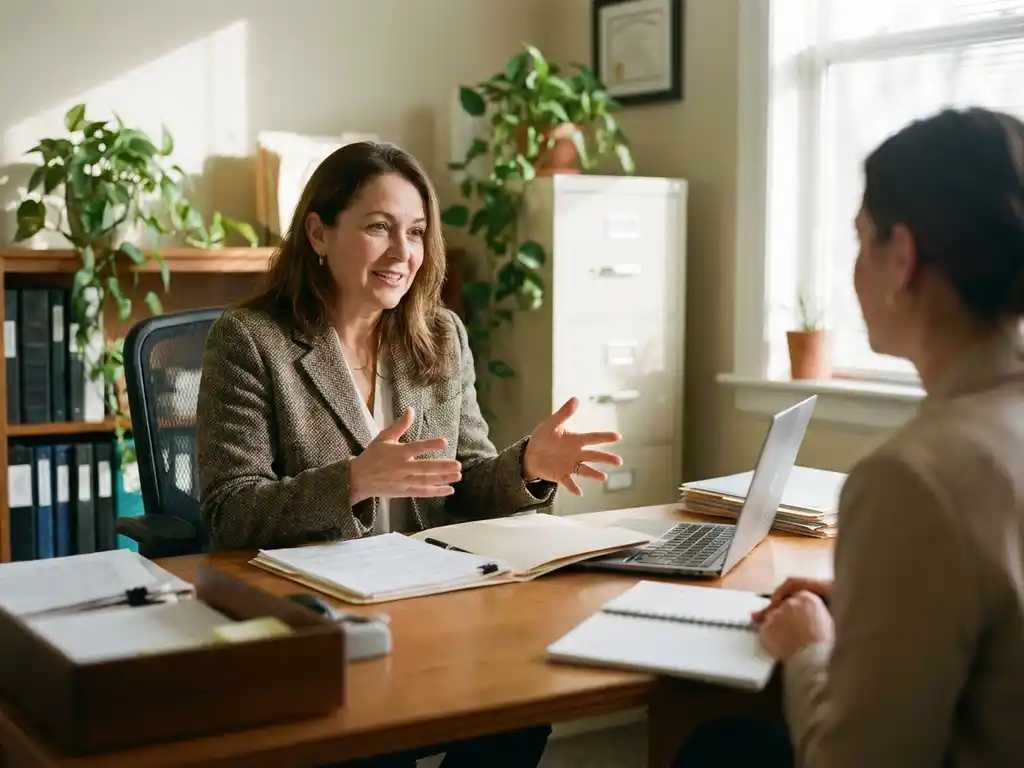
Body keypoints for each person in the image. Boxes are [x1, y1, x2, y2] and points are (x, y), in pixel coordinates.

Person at [196, 140, 624, 768]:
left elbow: (468, 483)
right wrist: (352, 481)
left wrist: (528, 466)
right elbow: (230, 513)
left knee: (521, 708)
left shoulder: (439, 334)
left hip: (431, 604)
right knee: (378, 745)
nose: (403, 253)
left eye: (417, 232)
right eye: (378, 227)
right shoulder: (251, 340)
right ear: (319, 232)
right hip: (323, 620)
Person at [677, 107, 1024, 767]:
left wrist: (809, 644)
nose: (854, 270)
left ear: (902, 257)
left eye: (859, 240)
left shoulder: (913, 477)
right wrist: (875, 604)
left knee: (717, 750)